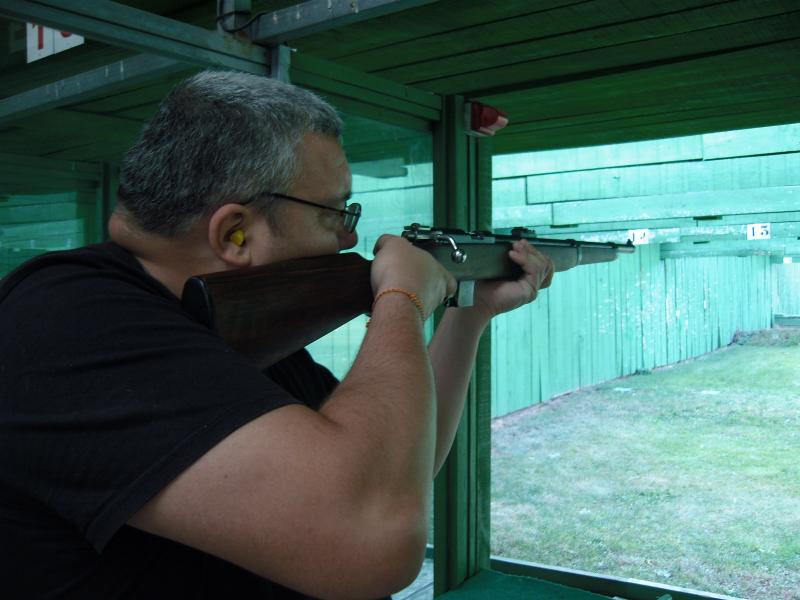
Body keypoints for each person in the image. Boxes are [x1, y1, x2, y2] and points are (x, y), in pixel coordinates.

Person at [0, 70, 553, 599]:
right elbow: (372, 536)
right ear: (235, 233)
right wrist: (402, 300)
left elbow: (394, 474)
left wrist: (468, 313)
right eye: (335, 213)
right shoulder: (69, 322)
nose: (348, 238)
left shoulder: (225, 324)